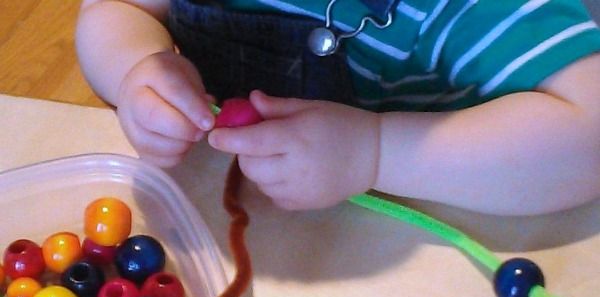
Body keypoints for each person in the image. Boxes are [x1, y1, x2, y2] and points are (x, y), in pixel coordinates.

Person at [75, 0, 600, 215]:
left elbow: (589, 135)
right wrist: (134, 69)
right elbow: (114, 9)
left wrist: (374, 153)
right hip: (221, 219)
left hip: (416, 222)